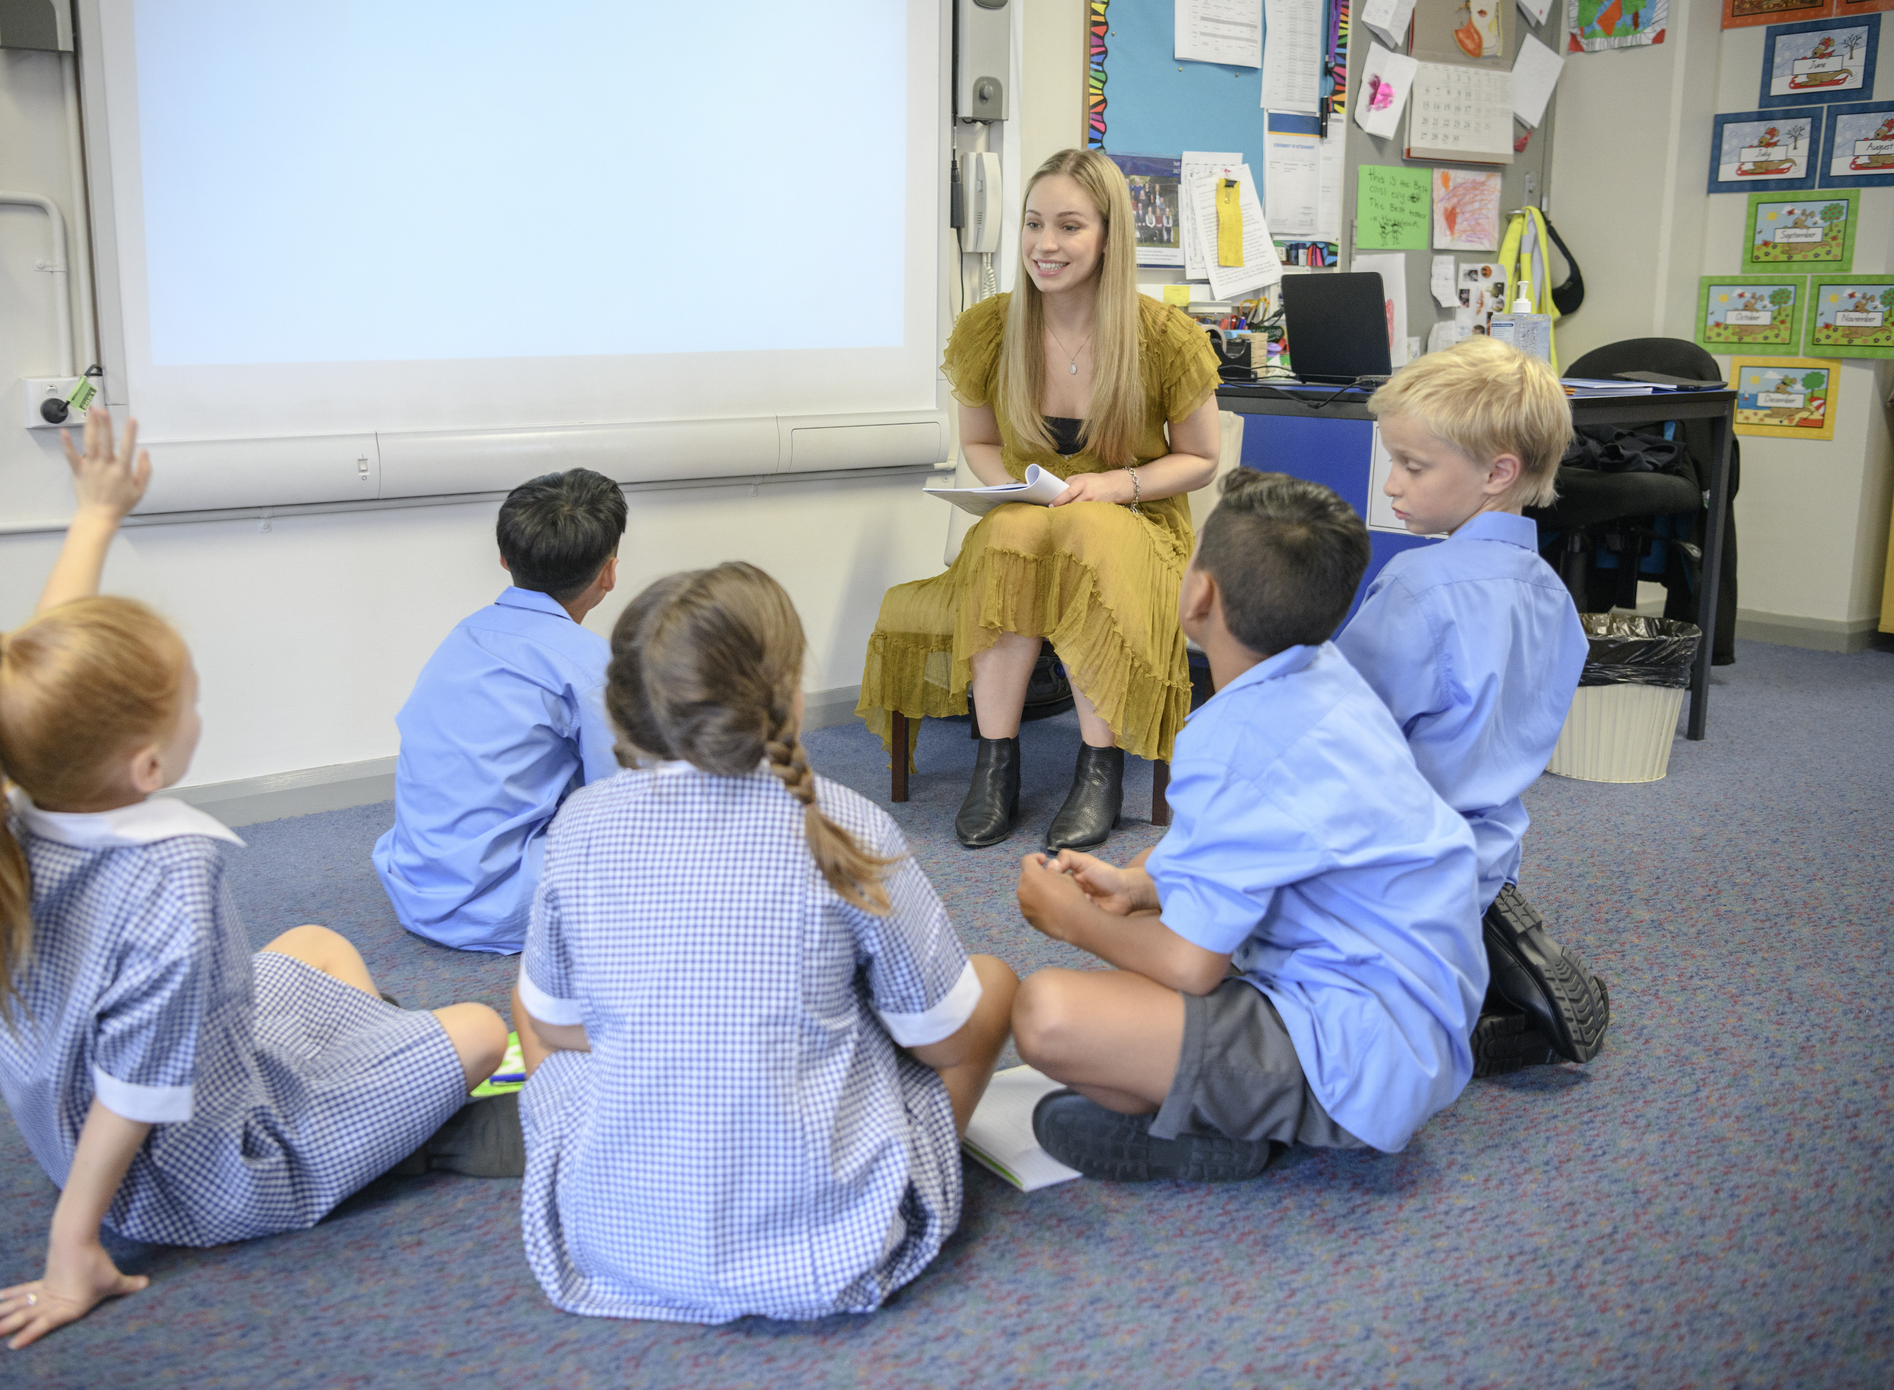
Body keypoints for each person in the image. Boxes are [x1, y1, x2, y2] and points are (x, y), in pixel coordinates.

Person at [0, 411, 516, 1351]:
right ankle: (381, 1131)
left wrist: (95, 518)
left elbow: (48, 655)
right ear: (145, 765)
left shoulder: (10, 797)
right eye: (188, 701)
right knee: (481, 1028)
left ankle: (378, 1090)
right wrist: (70, 1247)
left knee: (319, 946)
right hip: (200, 1168)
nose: (198, 709)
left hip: (107, 1112)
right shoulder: (170, 879)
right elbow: (134, 1090)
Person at [515, 563, 1018, 1322]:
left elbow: (556, 1029)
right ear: (786, 690)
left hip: (614, 1250)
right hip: (832, 1253)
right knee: (991, 981)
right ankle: (881, 1196)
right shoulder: (846, 824)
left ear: (624, 704)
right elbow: (944, 1042)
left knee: (530, 1004)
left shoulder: (580, 825)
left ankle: (625, 1177)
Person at [1011, 470, 1485, 1181]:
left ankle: (1244, 1123)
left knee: (1045, 1015)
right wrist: (1142, 887)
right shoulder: (1321, 673)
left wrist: (1069, 921)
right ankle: (1217, 1116)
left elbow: (1188, 967)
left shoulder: (1234, 743)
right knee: (1101, 1042)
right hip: (1414, 1023)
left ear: (1198, 594)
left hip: (1361, 1056)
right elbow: (1260, 840)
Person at [858, 149, 1224, 852]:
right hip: (1031, 517)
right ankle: (995, 764)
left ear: (1109, 237)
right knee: (1006, 537)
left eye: (1068, 226)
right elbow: (980, 441)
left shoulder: (1163, 338)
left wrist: (1117, 485)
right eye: (1032, 224)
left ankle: (1099, 766)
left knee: (1090, 530)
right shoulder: (991, 328)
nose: (1044, 245)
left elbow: (1202, 458)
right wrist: (1013, 487)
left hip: (1136, 520)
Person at [1333, 336, 1610, 1073]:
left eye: (1412, 466)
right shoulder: (1550, 592)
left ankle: (1445, 1022)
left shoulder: (1419, 586)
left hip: (1401, 858)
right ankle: (1483, 978)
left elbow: (1345, 723)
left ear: (1496, 472)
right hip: (1492, 853)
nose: (1391, 484)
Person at [373, 468, 626, 953]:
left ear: (505, 560)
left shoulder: (464, 635)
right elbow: (622, 801)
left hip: (413, 887)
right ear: (609, 572)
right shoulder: (591, 665)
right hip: (497, 906)